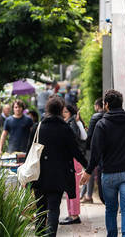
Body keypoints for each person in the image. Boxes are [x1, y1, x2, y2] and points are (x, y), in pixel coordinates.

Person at [80, 89, 125, 237]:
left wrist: (88, 171)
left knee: (111, 209)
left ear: (106, 105)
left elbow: (96, 152)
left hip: (109, 173)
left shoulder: (101, 124)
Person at [28, 96, 88, 237]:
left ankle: (39, 235)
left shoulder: (38, 127)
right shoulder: (65, 128)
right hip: (59, 176)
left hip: (39, 176)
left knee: (41, 210)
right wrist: (88, 167)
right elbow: (76, 151)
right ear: (61, 110)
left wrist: (26, 175)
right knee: (54, 209)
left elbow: (29, 153)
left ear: (47, 109)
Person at [59, 104, 87, 225]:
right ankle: (72, 214)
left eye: (65, 112)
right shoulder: (68, 123)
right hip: (70, 160)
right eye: (62, 112)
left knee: (73, 188)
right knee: (69, 188)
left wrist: (77, 122)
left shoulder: (71, 124)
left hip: (74, 160)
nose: (63, 114)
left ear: (70, 113)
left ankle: (74, 215)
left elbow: (81, 138)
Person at [81, 98, 105, 204]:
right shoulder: (107, 116)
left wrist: (86, 147)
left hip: (93, 148)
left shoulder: (96, 117)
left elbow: (89, 135)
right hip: (106, 151)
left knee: (89, 170)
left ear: (97, 106)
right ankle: (87, 194)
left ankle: (88, 195)